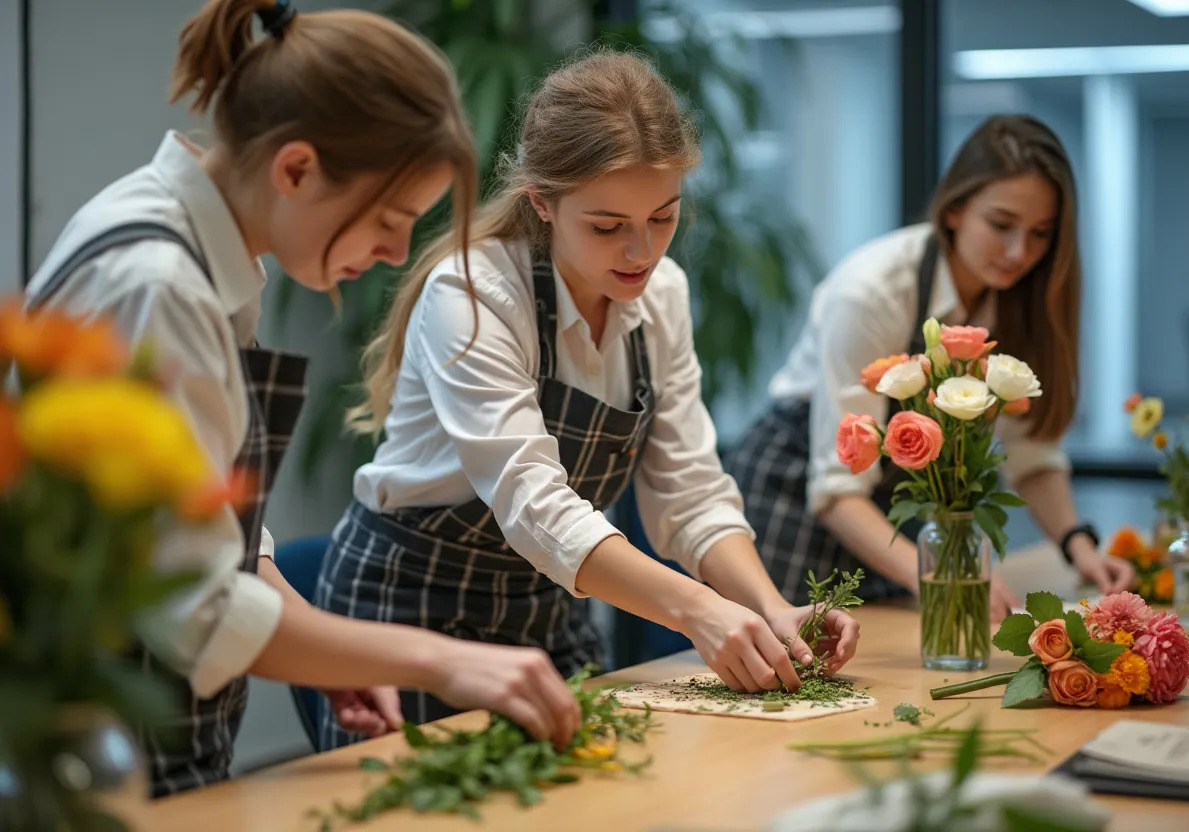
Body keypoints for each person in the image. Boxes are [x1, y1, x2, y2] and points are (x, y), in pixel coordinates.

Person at [24, 0, 579, 798]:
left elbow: (206, 524)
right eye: (388, 220)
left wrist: (329, 653)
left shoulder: (198, 256)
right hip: (94, 745)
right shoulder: (158, 284)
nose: (394, 253)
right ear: (296, 169)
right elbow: (199, 606)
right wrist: (444, 658)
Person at [315, 50, 861, 751]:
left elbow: (689, 491)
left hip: (551, 606)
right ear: (542, 202)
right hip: (410, 609)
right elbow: (532, 502)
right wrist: (699, 610)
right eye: (607, 226)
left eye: (663, 218)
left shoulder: (660, 298)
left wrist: (770, 606)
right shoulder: (475, 294)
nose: (641, 252)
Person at [722, 114, 1136, 621]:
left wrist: (1078, 546)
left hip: (893, 511)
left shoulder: (1013, 300)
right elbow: (836, 490)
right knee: (791, 668)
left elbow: (1030, 447)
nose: (1018, 253)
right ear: (956, 209)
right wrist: (941, 574)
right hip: (794, 487)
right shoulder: (872, 291)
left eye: (1041, 234)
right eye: (1002, 225)